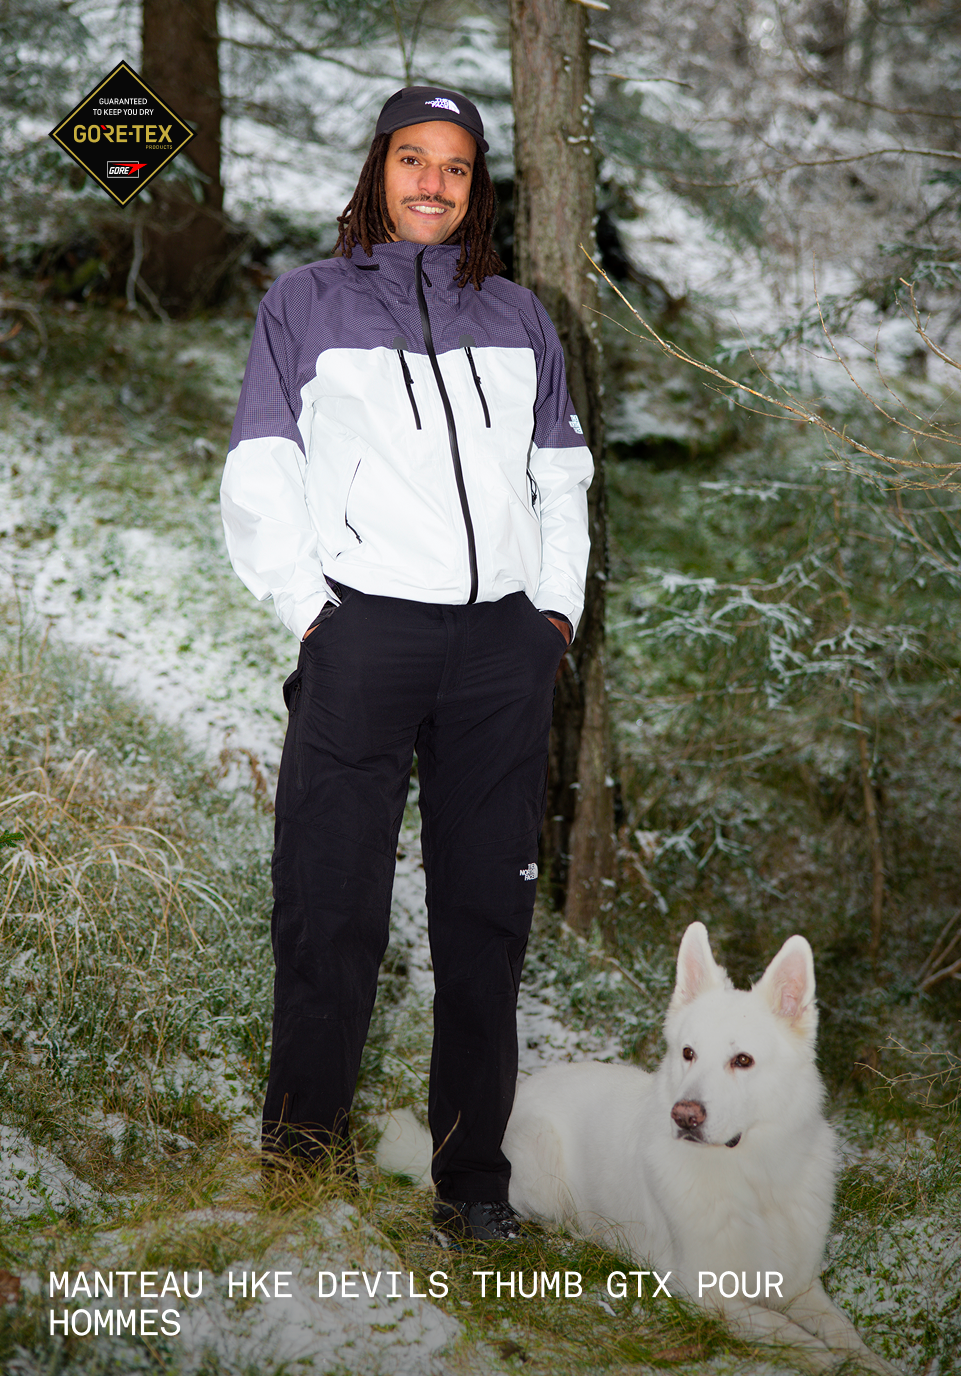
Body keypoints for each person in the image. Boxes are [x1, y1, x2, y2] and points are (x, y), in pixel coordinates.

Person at [221, 85, 592, 1241]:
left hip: (499, 650)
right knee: (329, 904)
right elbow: (259, 470)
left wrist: (552, 620)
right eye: (411, 159)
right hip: (362, 636)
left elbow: (562, 481)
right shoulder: (304, 305)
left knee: (485, 917)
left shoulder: (521, 318)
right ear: (377, 171)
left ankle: (471, 1183)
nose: (432, 182)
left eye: (456, 166)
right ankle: (298, 1158)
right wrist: (308, 612)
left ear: (477, 186)